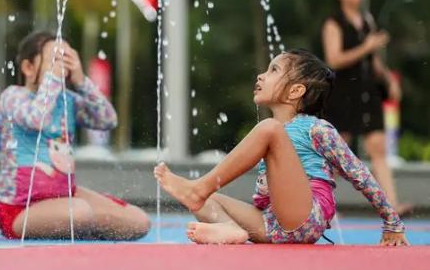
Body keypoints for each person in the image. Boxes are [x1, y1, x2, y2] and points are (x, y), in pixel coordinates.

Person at [154, 49, 408, 246]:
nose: (261, 75)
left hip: (306, 216)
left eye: (273, 70)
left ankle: (199, 188)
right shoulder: (272, 132)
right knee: (206, 202)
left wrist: (392, 222)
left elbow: (358, 173)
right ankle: (231, 228)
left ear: (295, 90)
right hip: (271, 223)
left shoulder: (316, 128)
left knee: (269, 130)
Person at [0, 30, 150, 240]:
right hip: (20, 209)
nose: (63, 67)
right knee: (80, 212)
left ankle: (77, 226)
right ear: (28, 68)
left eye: (67, 60)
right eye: (55, 60)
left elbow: (107, 119)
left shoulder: (66, 100)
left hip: (66, 198)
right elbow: (37, 119)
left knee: (137, 222)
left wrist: (81, 80)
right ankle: (77, 225)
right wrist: (52, 78)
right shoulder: (13, 96)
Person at [321, 0, 408, 213]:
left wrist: (389, 80)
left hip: (367, 90)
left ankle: (391, 205)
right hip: (343, 91)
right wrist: (366, 46)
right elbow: (334, 59)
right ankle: (319, 203)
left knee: (378, 147)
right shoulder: (333, 23)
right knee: (337, 153)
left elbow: (374, 60)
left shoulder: (367, 20)